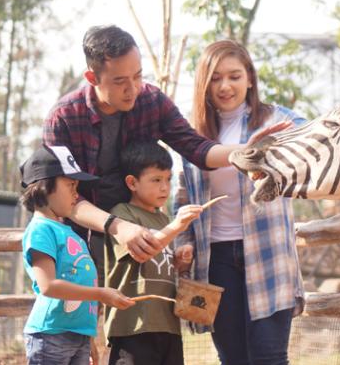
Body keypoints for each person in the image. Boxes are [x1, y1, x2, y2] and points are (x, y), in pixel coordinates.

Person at [42, 24, 291, 271]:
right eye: (120, 82)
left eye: (138, 75)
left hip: (143, 234)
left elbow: (197, 149)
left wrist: (247, 150)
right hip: (79, 242)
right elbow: (64, 197)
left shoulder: (152, 101)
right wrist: (118, 226)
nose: (133, 89)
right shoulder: (64, 118)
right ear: (92, 78)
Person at [175, 40, 307, 365]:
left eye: (234, 76)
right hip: (215, 259)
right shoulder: (193, 136)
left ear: (250, 78)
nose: (225, 86)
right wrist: (183, 242)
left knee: (269, 358)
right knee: (232, 359)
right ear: (204, 84)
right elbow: (183, 193)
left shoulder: (279, 121)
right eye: (215, 78)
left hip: (268, 254)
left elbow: (316, 150)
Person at [19, 144, 136, 365]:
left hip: (77, 335)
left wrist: (87, 337)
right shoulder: (41, 230)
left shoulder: (69, 231)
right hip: (51, 335)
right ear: (44, 187)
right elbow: (48, 285)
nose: (76, 194)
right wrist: (100, 294)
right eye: (71, 185)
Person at [104, 141, 202, 365]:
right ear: (132, 182)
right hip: (133, 325)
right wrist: (177, 226)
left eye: (168, 179)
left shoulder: (164, 219)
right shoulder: (122, 214)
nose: (165, 187)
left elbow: (160, 258)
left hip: (168, 324)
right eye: (156, 180)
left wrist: (179, 260)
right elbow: (142, 252)